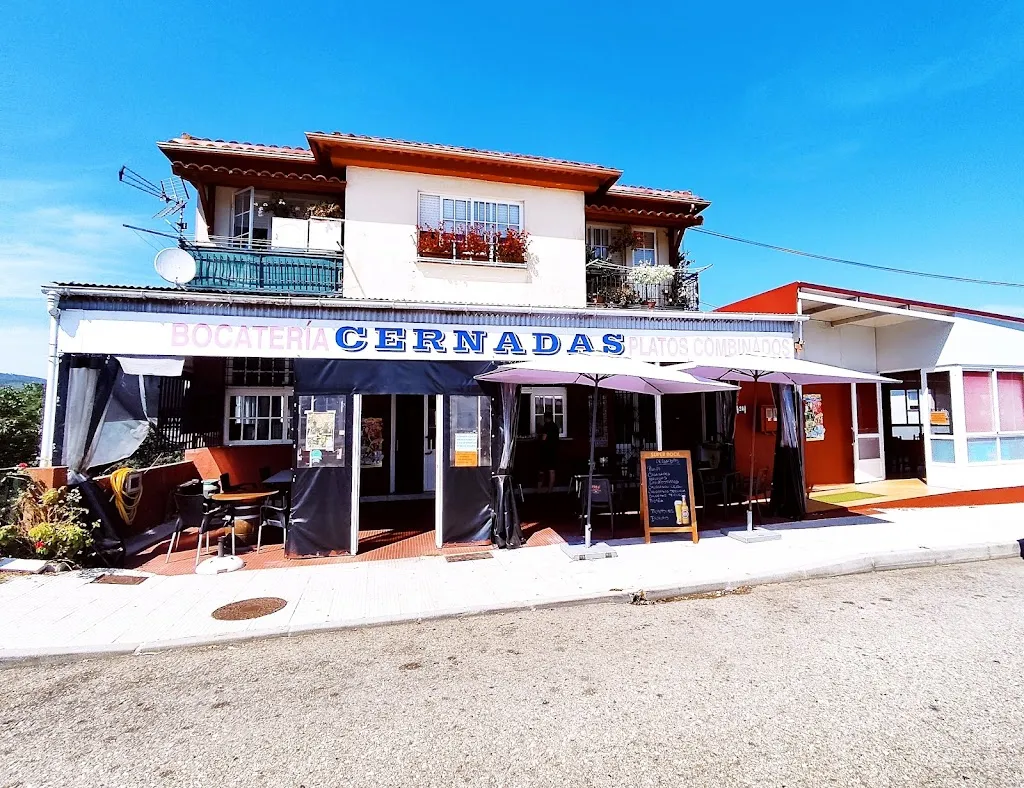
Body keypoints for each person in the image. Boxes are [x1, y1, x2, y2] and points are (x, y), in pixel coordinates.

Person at [537, 415, 560, 493]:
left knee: (541, 470)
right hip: (554, 451)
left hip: (545, 451)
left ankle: (539, 489)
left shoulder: (546, 426)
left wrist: (539, 440)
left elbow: (544, 438)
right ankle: (550, 490)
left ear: (545, 418)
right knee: (552, 471)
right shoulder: (555, 427)